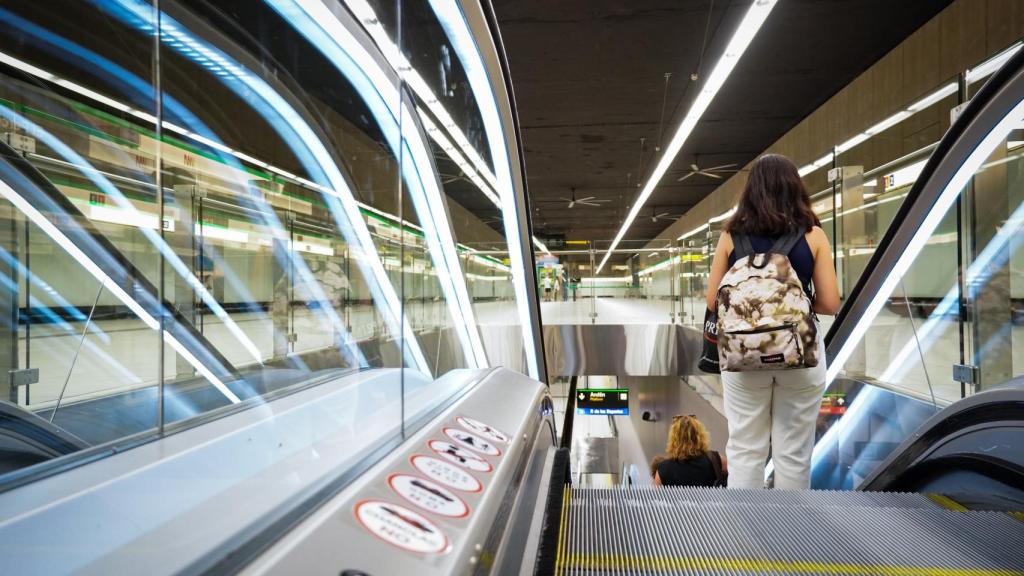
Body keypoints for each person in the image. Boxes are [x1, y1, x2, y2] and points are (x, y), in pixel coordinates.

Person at [704, 153, 840, 490]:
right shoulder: (813, 235)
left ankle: (743, 523)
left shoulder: (730, 236)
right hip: (801, 353)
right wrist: (791, 306)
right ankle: (790, 523)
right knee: (793, 453)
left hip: (743, 354)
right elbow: (830, 303)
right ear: (795, 188)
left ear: (751, 190)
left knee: (745, 449)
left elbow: (712, 301)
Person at [652, 415, 727, 487]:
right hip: (712, 496)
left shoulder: (664, 469)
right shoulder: (715, 459)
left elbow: (655, 495)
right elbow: (733, 477)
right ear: (699, 436)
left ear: (674, 439)